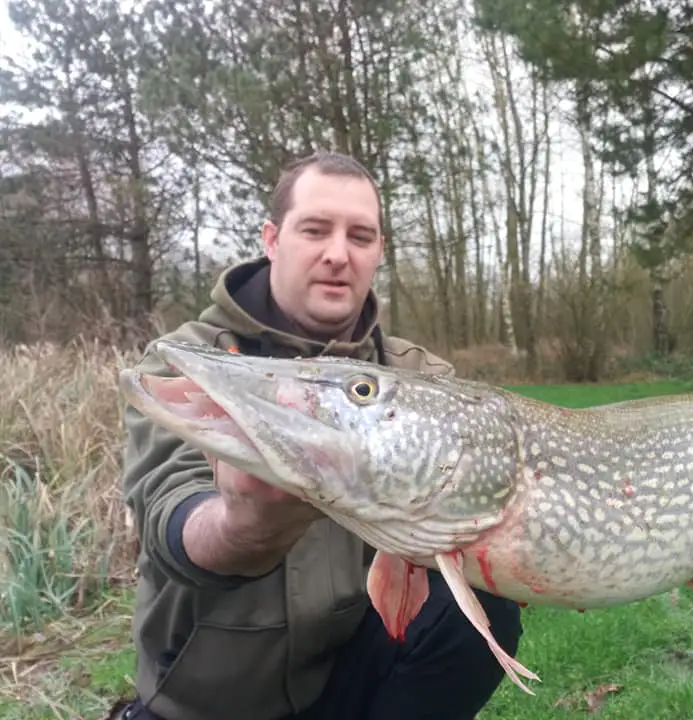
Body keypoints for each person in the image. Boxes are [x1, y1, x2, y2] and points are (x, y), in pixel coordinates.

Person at [115, 151, 523, 720]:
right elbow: (170, 518)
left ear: (379, 251)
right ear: (273, 239)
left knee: (480, 604)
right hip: (207, 705)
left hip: (348, 682)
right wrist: (243, 525)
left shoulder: (419, 378)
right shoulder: (193, 362)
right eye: (314, 230)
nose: (338, 254)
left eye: (360, 236)